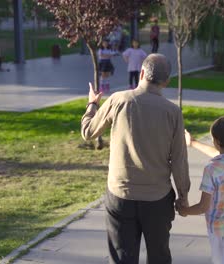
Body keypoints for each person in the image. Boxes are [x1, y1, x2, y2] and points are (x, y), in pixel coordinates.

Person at [81, 54, 190, 264]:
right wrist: (183, 196)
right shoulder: (173, 112)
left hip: (120, 196)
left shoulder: (118, 100)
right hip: (157, 199)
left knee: (122, 258)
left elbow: (88, 132)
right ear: (166, 81)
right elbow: (179, 159)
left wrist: (92, 105)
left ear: (141, 73)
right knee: (159, 257)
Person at [177, 117, 224, 264]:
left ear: (215, 140)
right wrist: (193, 142)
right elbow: (221, 155)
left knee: (219, 260)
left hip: (219, 228)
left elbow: (203, 206)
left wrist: (185, 211)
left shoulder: (211, 170)